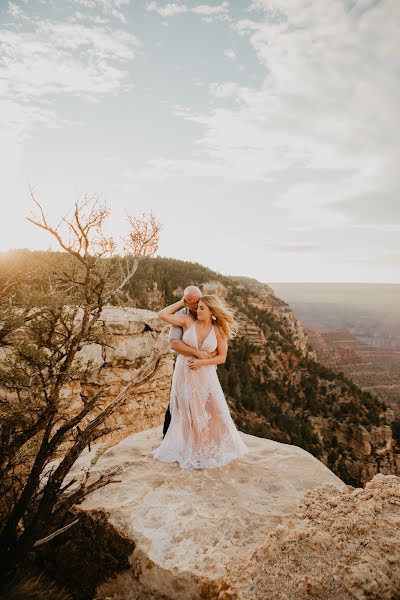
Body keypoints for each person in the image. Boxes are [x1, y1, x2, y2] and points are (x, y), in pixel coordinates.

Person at [152, 293, 249, 469]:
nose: (197, 309)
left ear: (212, 311)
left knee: (210, 411)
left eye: (202, 307)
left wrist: (202, 362)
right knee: (188, 411)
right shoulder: (187, 321)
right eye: (198, 306)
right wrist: (181, 302)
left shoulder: (219, 329)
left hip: (205, 374)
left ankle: (211, 446)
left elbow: (222, 357)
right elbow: (162, 314)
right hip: (184, 373)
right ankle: (193, 450)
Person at [162, 286, 217, 437]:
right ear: (186, 302)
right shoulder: (182, 316)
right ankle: (169, 435)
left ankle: (204, 436)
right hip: (186, 365)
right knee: (180, 397)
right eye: (193, 303)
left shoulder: (208, 312)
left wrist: (207, 359)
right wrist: (197, 353)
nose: (196, 306)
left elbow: (218, 345)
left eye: (199, 301)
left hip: (205, 368)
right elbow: (174, 343)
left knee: (204, 399)